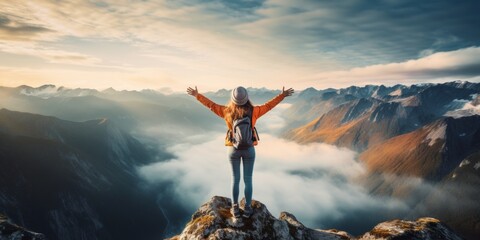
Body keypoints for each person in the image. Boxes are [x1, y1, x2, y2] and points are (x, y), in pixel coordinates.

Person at [187, 86, 294, 218]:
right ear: (247, 98)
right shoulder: (254, 111)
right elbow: (269, 106)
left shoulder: (226, 111)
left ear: (232, 99)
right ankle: (248, 209)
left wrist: (197, 95)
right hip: (249, 148)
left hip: (233, 149)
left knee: (235, 179)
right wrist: (282, 95)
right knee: (248, 180)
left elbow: (211, 105)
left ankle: (235, 209)